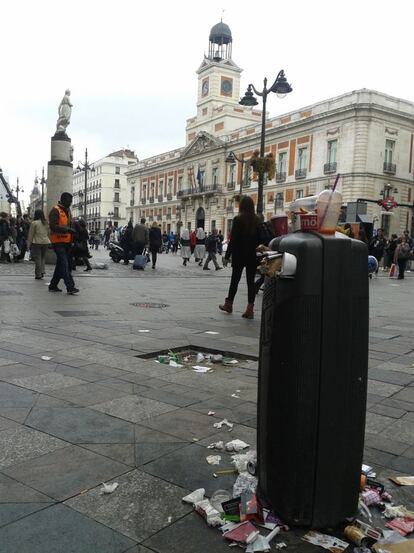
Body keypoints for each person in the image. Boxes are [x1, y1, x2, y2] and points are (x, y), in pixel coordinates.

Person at [219, 196, 259, 319]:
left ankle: (229, 304)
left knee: (234, 280)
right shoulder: (257, 220)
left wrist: (227, 256)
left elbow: (233, 240)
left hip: (239, 255)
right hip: (252, 255)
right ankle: (250, 309)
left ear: (241, 206)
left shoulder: (238, 219)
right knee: (250, 282)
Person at [48, 192, 78, 294]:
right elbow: (53, 226)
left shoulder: (68, 211)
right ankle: (70, 286)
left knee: (61, 265)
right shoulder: (55, 210)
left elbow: (70, 225)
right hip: (58, 242)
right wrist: (67, 230)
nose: (70, 203)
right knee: (65, 265)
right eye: (69, 201)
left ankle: (53, 285)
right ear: (63, 200)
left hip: (67, 242)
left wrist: (72, 238)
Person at [27, 209, 50, 279]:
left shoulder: (34, 223)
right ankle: (42, 271)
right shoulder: (46, 222)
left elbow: (31, 234)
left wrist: (28, 245)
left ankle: (38, 274)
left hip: (37, 242)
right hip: (45, 242)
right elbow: (49, 233)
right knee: (43, 258)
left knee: (38, 258)